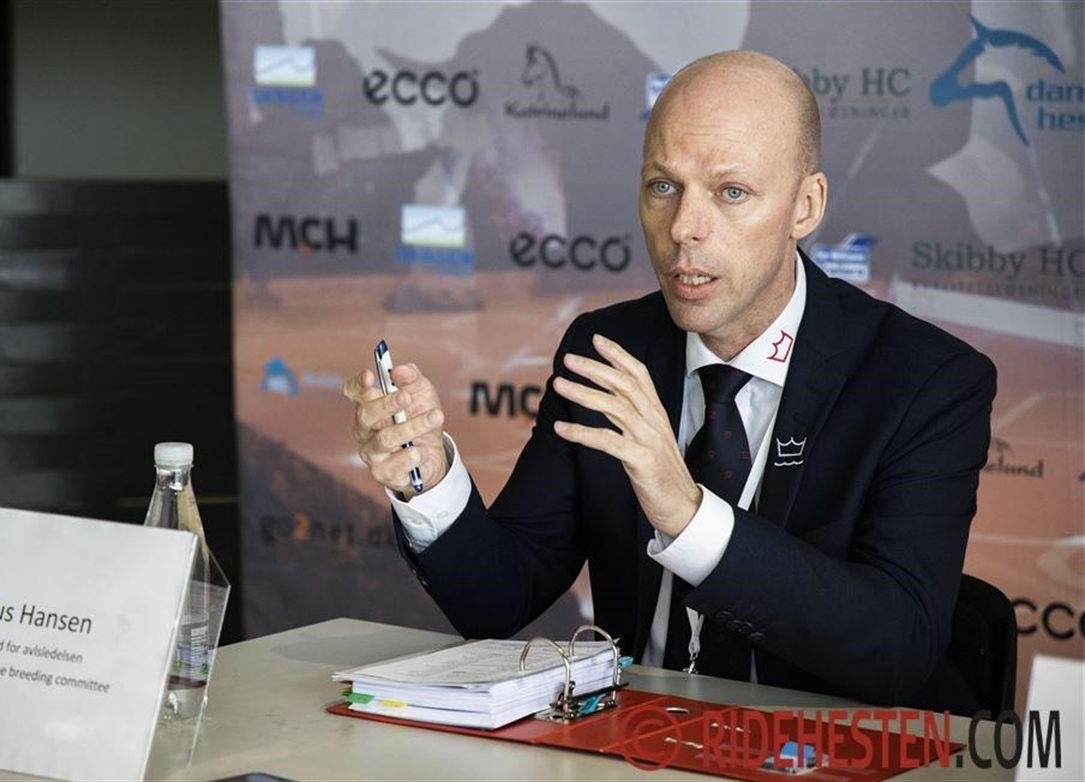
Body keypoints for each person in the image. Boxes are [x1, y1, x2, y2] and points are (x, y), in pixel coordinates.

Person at [343, 50, 995, 715]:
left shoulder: (927, 382)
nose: (683, 228)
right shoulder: (608, 350)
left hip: (828, 748)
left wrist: (687, 514)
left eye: (731, 192)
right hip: (636, 744)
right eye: (663, 186)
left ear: (806, 206)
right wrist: (428, 482)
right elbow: (497, 598)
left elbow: (897, 648)